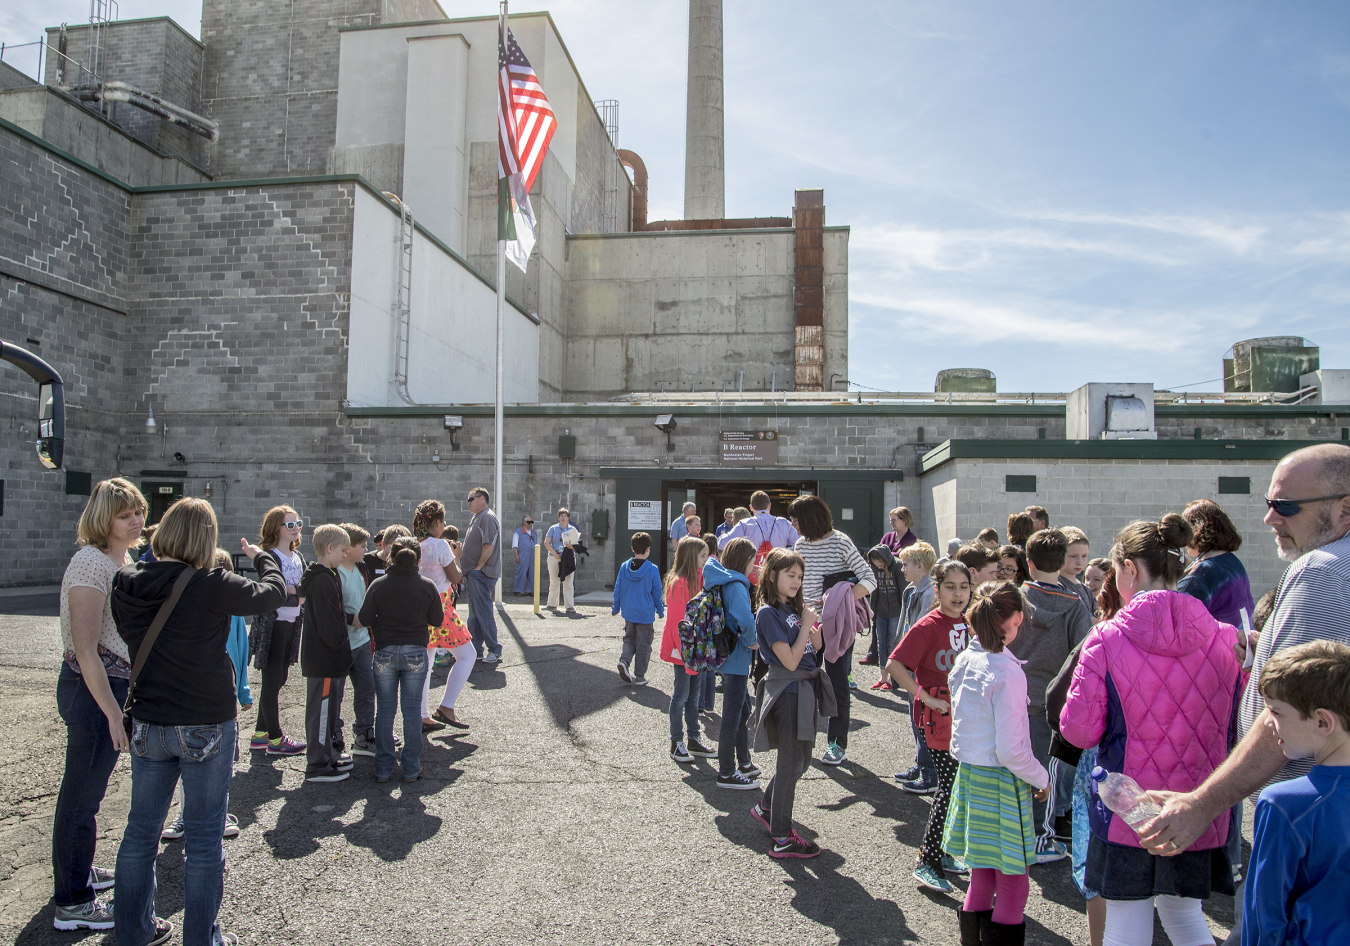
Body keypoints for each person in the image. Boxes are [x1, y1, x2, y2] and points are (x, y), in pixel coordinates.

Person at [1140, 444, 1350, 946]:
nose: (1269, 518)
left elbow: (1294, 716)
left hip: (1310, 823)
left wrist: (1201, 803)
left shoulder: (1320, 570)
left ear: (1345, 508)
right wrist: (1268, 649)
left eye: (1287, 507)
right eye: (1269, 501)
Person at [1061, 514, 1244, 946]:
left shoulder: (1105, 637)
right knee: (1185, 914)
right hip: (1197, 808)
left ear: (1128, 569)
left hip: (1129, 807)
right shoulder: (1226, 637)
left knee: (1126, 920)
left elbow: (1080, 732)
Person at [111, 497, 287, 946]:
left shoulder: (126, 581)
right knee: (205, 841)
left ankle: (132, 931)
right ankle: (200, 938)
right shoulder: (210, 582)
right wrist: (262, 556)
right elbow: (273, 592)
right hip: (204, 720)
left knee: (140, 834)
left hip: (149, 720)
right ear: (205, 539)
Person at [52, 478, 147, 932]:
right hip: (92, 690)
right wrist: (112, 712)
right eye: (125, 514)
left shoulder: (122, 559)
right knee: (81, 800)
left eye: (139, 512)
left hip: (111, 687)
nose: (136, 521)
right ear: (103, 519)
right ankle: (72, 901)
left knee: (89, 795)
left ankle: (79, 872)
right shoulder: (90, 562)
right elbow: (86, 648)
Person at [944, 580, 1049, 946]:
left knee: (982, 875)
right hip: (1002, 780)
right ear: (1016, 619)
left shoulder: (966, 659)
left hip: (971, 776)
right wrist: (1042, 777)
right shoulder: (1007, 672)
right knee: (1014, 882)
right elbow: (1011, 749)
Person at [1243, 641, 1350, 946]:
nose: (1268, 724)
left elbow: (1264, 920)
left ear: (1322, 721)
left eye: (1275, 712)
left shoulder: (1283, 805)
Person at [888, 560, 974, 893]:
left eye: (963, 587)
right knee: (949, 788)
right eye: (950, 587)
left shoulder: (969, 623)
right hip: (936, 719)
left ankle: (947, 852)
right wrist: (924, 696)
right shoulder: (928, 625)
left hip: (965, 720)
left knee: (959, 790)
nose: (958, 594)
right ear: (936, 590)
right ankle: (927, 861)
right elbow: (895, 665)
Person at [1010, 528, 1093, 861]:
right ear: (1062, 563)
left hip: (1012, 696)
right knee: (1044, 773)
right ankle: (1040, 839)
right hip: (1049, 703)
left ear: (1028, 563)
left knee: (1015, 767)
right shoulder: (1076, 607)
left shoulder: (1012, 597)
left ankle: (1016, 832)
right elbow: (1084, 655)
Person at [750, 548, 833, 859]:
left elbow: (809, 655)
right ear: (773, 576)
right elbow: (788, 659)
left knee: (801, 761)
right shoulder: (768, 613)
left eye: (800, 576)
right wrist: (805, 630)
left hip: (804, 689)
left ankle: (766, 806)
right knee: (790, 763)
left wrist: (816, 639)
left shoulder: (791, 610)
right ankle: (781, 836)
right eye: (790, 575)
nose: (797, 581)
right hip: (787, 692)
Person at [790, 495, 876, 767]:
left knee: (838, 681)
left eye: (796, 520)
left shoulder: (840, 541)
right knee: (802, 679)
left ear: (809, 519)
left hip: (836, 624)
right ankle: (801, 738)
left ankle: (837, 744)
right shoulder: (799, 544)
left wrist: (841, 602)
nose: (793, 526)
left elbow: (869, 579)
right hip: (805, 620)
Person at [357, 537, 444, 782]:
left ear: (391, 557)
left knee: (384, 711)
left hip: (384, 650)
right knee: (412, 710)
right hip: (415, 651)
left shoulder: (378, 584)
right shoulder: (427, 586)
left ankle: (383, 768)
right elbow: (437, 620)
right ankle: (411, 768)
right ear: (418, 559)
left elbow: (364, 619)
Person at [247, 505, 307, 756]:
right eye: (289, 525)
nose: (295, 529)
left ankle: (260, 734)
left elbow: (302, 590)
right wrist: (295, 594)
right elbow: (276, 593)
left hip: (292, 624)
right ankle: (275, 738)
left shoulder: (297, 557)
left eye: (298, 523)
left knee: (280, 677)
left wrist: (294, 593)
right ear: (276, 528)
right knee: (272, 680)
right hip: (274, 625)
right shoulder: (269, 557)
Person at [703, 538, 762, 790]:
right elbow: (746, 621)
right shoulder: (737, 584)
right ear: (744, 560)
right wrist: (753, 641)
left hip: (724, 654)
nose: (754, 565)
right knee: (732, 715)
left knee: (742, 711)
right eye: (752, 560)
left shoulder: (720, 578)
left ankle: (744, 763)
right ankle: (727, 772)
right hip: (737, 657)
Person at [298, 524, 355, 783]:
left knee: (327, 713)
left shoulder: (324, 575)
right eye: (343, 550)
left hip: (326, 660)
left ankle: (327, 758)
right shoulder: (322, 579)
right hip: (324, 660)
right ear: (330, 548)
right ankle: (318, 765)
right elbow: (329, 624)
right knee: (321, 714)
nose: (345, 555)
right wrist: (342, 648)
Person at [412, 500, 472, 730]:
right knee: (467, 654)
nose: (445, 525)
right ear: (436, 522)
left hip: (420, 606)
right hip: (441, 607)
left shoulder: (415, 544)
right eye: (443, 521)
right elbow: (456, 577)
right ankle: (446, 706)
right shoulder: (439, 546)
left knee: (426, 664)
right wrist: (456, 556)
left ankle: (422, 714)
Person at [660, 537, 716, 762]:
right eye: (703, 555)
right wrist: (686, 651)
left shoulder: (700, 579)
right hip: (684, 650)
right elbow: (676, 621)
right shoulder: (680, 583)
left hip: (696, 649)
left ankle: (693, 739)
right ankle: (676, 742)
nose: (707, 559)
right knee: (681, 695)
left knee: (693, 697)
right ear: (692, 557)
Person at [895, 540, 940, 786]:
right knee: (915, 716)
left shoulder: (929, 592)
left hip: (921, 664)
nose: (902, 569)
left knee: (922, 719)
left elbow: (922, 630)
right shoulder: (911, 591)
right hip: (910, 663)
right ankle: (921, 764)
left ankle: (929, 773)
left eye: (906, 565)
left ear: (920, 566)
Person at [1178, 498, 1256, 628]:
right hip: (1241, 641)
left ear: (1195, 530)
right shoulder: (1232, 561)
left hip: (1219, 645)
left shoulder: (1202, 573)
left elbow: (1178, 621)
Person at [336, 524, 377, 757]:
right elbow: (329, 607)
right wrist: (353, 619)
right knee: (337, 693)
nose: (366, 549)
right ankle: (335, 737)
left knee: (366, 689)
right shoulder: (334, 572)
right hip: (343, 642)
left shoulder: (362, 568)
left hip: (362, 641)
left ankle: (363, 735)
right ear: (348, 547)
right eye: (362, 545)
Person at [613, 532, 665, 686]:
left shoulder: (624, 567)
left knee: (629, 639)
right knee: (644, 644)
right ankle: (640, 676)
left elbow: (618, 588)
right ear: (648, 549)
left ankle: (624, 661)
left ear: (632, 549)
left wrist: (616, 606)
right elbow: (657, 592)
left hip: (629, 613)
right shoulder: (653, 569)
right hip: (645, 615)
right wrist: (660, 610)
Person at [461, 487, 503, 663]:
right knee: (475, 615)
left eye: (471, 499)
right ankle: (476, 650)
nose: (468, 502)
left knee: (483, 612)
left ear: (481, 499)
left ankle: (494, 649)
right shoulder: (478, 517)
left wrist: (478, 567)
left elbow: (488, 546)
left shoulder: (487, 517)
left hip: (482, 573)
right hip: (475, 574)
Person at [865, 543, 906, 689]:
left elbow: (903, 592)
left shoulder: (898, 567)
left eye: (882, 564)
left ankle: (894, 679)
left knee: (892, 645)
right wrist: (873, 612)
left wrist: (903, 613)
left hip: (896, 613)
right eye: (877, 565)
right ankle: (883, 678)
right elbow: (874, 592)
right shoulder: (875, 569)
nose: (880, 567)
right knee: (881, 644)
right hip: (881, 612)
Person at [717, 490, 799, 559]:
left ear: (751, 507)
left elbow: (721, 544)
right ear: (769, 506)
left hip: (753, 574)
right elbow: (799, 544)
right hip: (777, 571)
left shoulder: (745, 524)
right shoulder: (784, 523)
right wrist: (786, 552)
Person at [1059, 526, 1096, 618]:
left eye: (1084, 556)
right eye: (1073, 556)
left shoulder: (1086, 590)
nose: (1079, 562)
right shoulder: (1057, 587)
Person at [545, 508, 577, 611]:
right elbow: (546, 543)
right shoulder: (553, 529)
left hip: (568, 558)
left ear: (568, 518)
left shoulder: (572, 529)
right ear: (558, 518)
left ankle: (569, 606)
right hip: (555, 557)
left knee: (568, 582)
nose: (563, 518)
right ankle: (552, 604)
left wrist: (571, 547)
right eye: (561, 516)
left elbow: (577, 545)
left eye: (565, 516)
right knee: (554, 581)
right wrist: (554, 554)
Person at [511, 516, 539, 596]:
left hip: (532, 555)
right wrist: (517, 556)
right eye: (528, 522)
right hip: (523, 555)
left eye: (531, 522)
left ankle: (532, 590)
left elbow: (537, 544)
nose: (530, 524)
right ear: (524, 522)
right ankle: (518, 590)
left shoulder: (534, 533)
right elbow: (515, 545)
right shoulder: (518, 532)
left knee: (533, 573)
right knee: (521, 572)